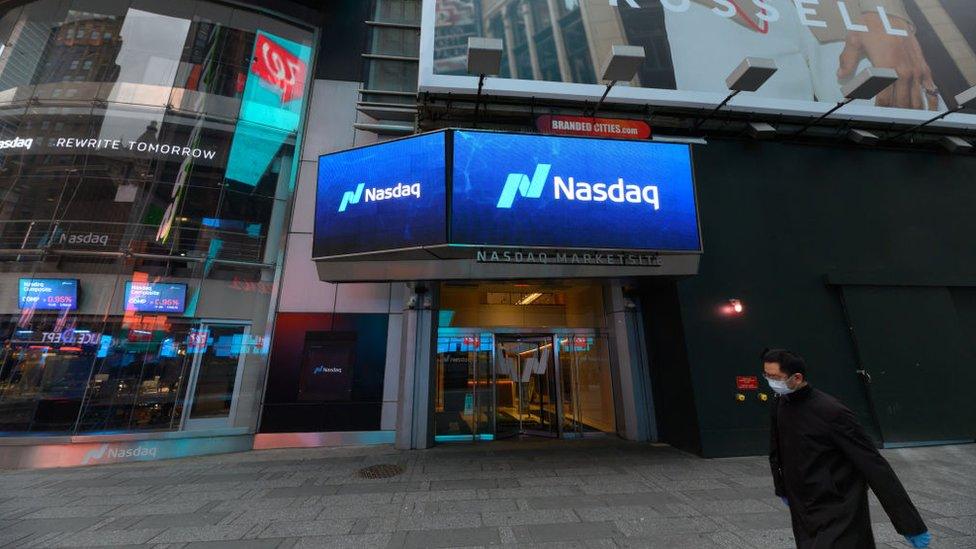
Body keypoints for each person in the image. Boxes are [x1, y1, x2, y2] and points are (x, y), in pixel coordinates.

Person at [763, 348, 932, 548]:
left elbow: (873, 464)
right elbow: (776, 449)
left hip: (837, 504)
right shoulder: (781, 403)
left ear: (797, 377)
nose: (770, 381)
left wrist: (910, 525)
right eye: (766, 375)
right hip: (802, 502)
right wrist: (781, 486)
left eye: (774, 377)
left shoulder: (832, 412)